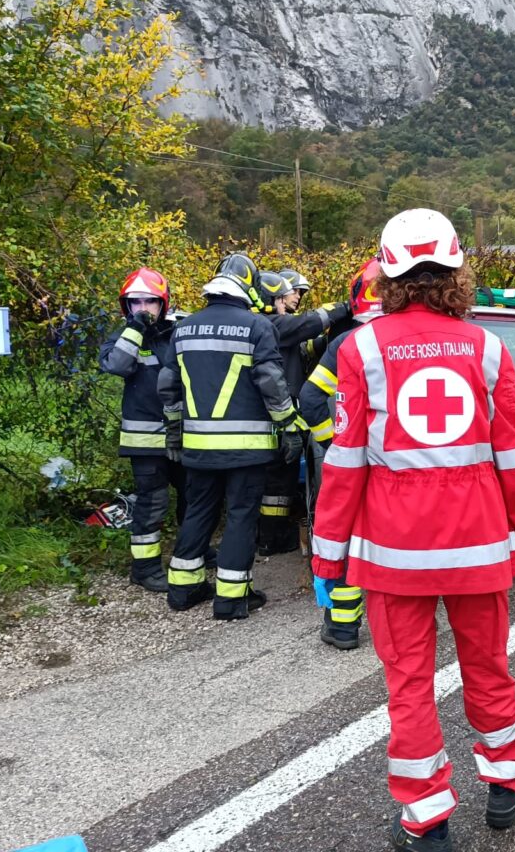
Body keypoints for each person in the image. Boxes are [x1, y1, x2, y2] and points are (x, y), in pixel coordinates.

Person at [309, 209, 515, 852]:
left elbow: (344, 462)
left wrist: (327, 554)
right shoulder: (488, 349)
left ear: (386, 274)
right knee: (488, 668)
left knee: (409, 687)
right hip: (477, 547)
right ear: (455, 270)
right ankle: (507, 785)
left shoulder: (358, 349)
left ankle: (426, 818)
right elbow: (512, 458)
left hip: (393, 554)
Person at [158, 254, 305, 620]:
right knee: (241, 515)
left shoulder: (184, 327)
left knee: (199, 510)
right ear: (250, 288)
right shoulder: (256, 327)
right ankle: (232, 598)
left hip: (197, 447)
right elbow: (272, 383)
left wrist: (175, 432)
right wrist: (289, 426)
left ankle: (183, 588)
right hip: (246, 449)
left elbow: (168, 386)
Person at [298, 257, 383, 650]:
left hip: (350, 461)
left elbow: (311, 396)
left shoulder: (345, 344)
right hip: (395, 465)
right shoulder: (410, 340)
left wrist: (331, 443)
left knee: (344, 537)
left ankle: (343, 627)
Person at [99, 267, 184, 593]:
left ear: (164, 303)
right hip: (145, 440)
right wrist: (135, 327)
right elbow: (118, 365)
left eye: (151, 301)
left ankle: (193, 551)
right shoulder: (123, 337)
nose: (144, 308)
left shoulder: (177, 332)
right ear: (126, 306)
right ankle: (145, 568)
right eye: (136, 303)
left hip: (181, 434)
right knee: (153, 504)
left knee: (193, 496)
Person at [256, 271, 349, 555]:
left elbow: (304, 348)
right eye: (289, 295)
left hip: (282, 415)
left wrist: (330, 344)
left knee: (279, 482)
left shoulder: (274, 325)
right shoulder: (268, 323)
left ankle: (270, 536)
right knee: (275, 481)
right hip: (275, 417)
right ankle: (270, 538)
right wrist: (344, 308)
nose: (293, 299)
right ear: (272, 299)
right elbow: (307, 325)